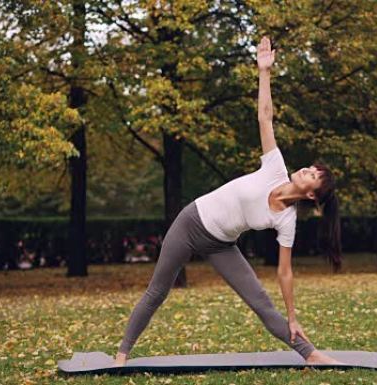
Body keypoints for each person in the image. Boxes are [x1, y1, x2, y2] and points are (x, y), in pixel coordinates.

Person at [114, 36, 344, 366]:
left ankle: (311, 355)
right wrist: (264, 71)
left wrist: (293, 316)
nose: (306, 169)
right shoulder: (276, 167)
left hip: (221, 243)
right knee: (158, 291)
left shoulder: (287, 220)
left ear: (311, 194)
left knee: (261, 302)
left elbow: (285, 273)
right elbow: (265, 117)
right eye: (310, 167)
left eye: (313, 175)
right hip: (191, 222)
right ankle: (122, 354)